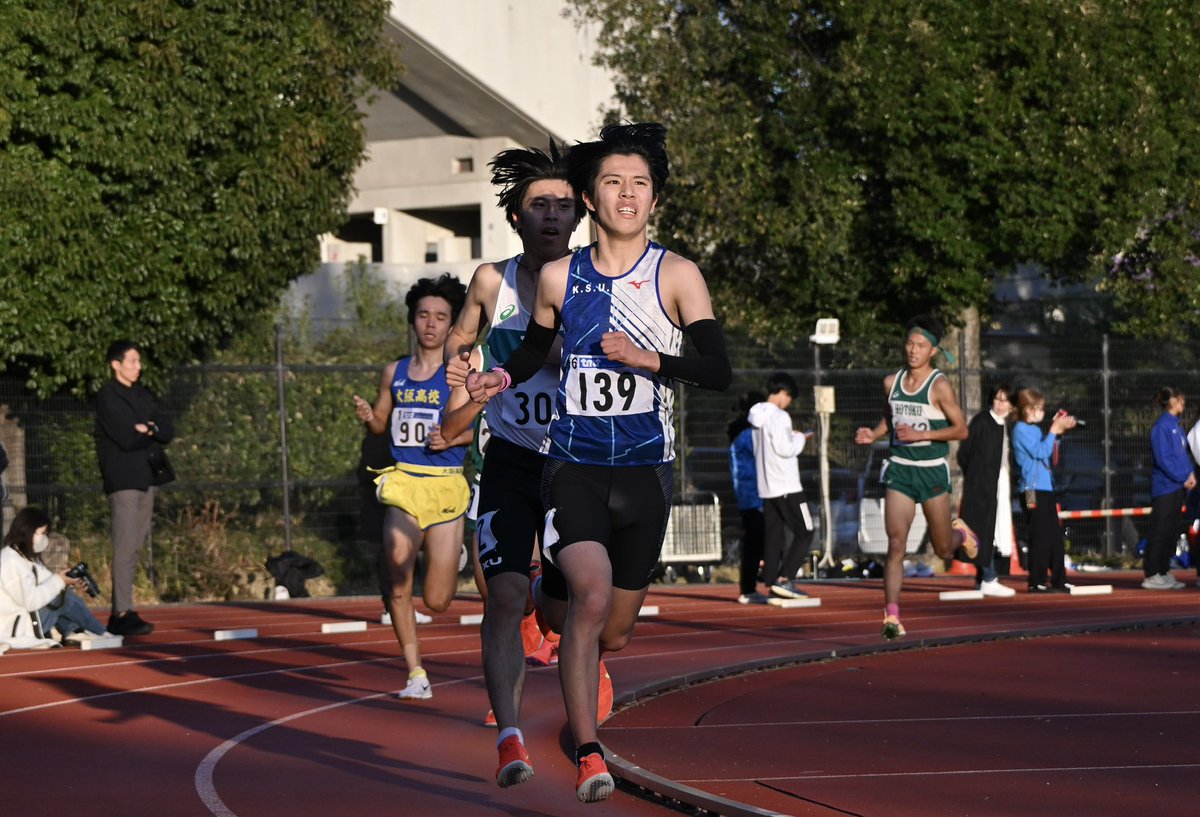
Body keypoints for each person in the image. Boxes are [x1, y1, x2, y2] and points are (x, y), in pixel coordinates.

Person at [464, 122, 731, 802]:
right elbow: (530, 352)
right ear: (591, 197)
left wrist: (653, 359)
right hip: (572, 464)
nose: (628, 194)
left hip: (644, 473)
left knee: (611, 624)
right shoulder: (560, 276)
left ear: (655, 200)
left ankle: (543, 602)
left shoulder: (677, 274)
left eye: (640, 184)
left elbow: (719, 369)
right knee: (588, 593)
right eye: (613, 182)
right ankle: (589, 751)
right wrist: (499, 376)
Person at [439, 141, 586, 766]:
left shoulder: (594, 280)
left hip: (577, 464)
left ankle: (569, 641)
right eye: (538, 205)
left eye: (562, 205)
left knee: (562, 603)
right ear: (516, 216)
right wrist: (460, 361)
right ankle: (509, 737)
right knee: (499, 597)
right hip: (509, 459)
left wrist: (552, 356)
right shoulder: (491, 280)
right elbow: (463, 335)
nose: (551, 215)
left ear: (578, 216)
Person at [352, 273, 471, 700]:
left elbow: (483, 429)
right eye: (424, 315)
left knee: (438, 601)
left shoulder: (461, 373)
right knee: (398, 572)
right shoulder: (395, 372)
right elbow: (383, 423)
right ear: (413, 320)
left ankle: (451, 553)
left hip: (444, 487)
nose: (431, 324)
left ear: (452, 323)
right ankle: (416, 673)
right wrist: (369, 416)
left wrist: (453, 437)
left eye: (441, 316)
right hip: (403, 482)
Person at [854, 316, 977, 641]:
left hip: (931, 471)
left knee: (942, 551)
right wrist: (874, 434)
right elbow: (889, 416)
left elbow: (961, 430)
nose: (912, 350)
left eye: (920, 346)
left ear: (933, 351)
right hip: (899, 469)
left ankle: (959, 534)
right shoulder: (890, 382)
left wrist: (922, 432)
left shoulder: (939, 386)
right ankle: (892, 616)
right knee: (895, 545)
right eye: (909, 343)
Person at [94, 340, 174, 637]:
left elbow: (166, 430)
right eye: (132, 362)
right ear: (116, 364)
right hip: (123, 479)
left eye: (139, 362)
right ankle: (121, 612)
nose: (138, 367)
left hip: (146, 477)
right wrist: (145, 430)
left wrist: (149, 429)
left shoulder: (142, 394)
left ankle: (125, 608)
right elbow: (126, 437)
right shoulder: (107, 396)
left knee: (136, 545)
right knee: (125, 546)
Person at [747, 374, 815, 599]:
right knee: (805, 530)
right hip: (786, 485)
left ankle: (771, 580)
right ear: (784, 393)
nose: (789, 402)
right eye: (789, 397)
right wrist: (801, 438)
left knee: (775, 535)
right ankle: (784, 578)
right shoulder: (780, 416)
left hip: (766, 486)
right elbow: (785, 448)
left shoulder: (756, 415)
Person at [1, 507, 102, 650]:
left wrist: (70, 583)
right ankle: (98, 631)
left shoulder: (24, 558)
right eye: (41, 533)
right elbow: (31, 601)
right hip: (13, 628)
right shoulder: (10, 561)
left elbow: (49, 580)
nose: (44, 538)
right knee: (61, 596)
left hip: (24, 620)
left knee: (62, 593)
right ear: (27, 531)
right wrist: (60, 582)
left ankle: (73, 630)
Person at [1011, 388, 1077, 593]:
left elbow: (1048, 451)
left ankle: (1059, 578)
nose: (1041, 412)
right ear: (1026, 410)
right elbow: (1040, 451)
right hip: (1030, 489)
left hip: (1046, 488)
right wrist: (1053, 431)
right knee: (1039, 533)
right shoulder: (1020, 429)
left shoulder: (1036, 430)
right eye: (1037, 408)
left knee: (1055, 535)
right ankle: (1036, 580)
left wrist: (1058, 431)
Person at [956, 385, 1018, 598]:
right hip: (980, 487)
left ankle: (984, 578)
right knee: (982, 530)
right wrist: (976, 477)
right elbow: (964, 453)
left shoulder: (1005, 426)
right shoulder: (982, 421)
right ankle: (989, 577)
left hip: (999, 485)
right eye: (997, 399)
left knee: (993, 530)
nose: (1000, 404)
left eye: (1005, 400)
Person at [1143, 387, 1194, 590]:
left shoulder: (1176, 426)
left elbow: (1182, 455)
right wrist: (1182, 477)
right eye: (1181, 399)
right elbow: (1164, 459)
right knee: (1160, 530)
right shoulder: (1161, 426)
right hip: (1165, 487)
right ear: (1172, 401)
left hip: (1178, 487)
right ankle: (1152, 572)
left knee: (1171, 531)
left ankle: (1163, 571)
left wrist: (1189, 474)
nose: (1184, 402)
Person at [728, 390, 766, 604]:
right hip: (754, 493)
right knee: (755, 540)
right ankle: (750, 587)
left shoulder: (740, 430)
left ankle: (751, 585)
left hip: (747, 492)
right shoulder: (748, 433)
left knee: (756, 539)